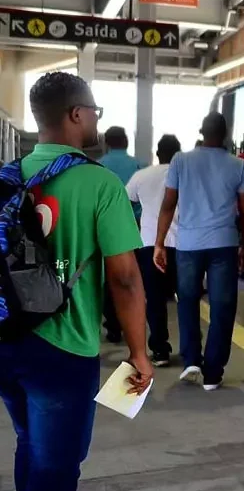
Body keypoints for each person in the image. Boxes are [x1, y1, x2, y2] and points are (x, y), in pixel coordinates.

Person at [0, 72, 152, 491]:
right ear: (75, 115)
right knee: (56, 465)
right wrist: (139, 352)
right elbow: (126, 280)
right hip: (62, 350)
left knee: (30, 443)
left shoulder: (8, 175)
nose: (94, 120)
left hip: (6, 338)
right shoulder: (99, 183)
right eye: (93, 111)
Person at [154, 112, 244, 391]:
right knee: (222, 306)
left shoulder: (180, 161)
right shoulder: (240, 166)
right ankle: (212, 373)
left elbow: (168, 204)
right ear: (225, 135)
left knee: (187, 300)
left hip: (188, 244)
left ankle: (191, 361)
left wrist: (160, 242)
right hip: (224, 244)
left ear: (200, 131)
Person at [127, 135, 182, 367]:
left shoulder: (142, 175)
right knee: (186, 299)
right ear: (178, 155)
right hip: (183, 244)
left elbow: (125, 202)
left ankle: (160, 350)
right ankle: (192, 351)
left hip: (149, 243)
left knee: (155, 299)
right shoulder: (185, 175)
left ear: (157, 153)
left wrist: (136, 225)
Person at [98, 125, 142, 343]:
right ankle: (132, 324)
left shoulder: (98, 166)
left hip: (106, 228)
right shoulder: (138, 165)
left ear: (107, 142)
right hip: (135, 226)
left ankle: (113, 325)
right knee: (132, 277)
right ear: (126, 142)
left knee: (109, 278)